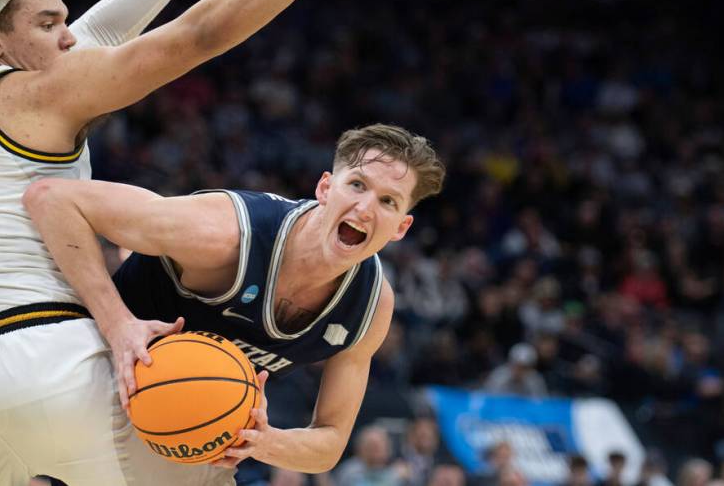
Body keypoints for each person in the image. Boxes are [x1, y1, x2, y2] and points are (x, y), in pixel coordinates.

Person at [0, 0, 411, 486]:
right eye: (50, 23)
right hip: (42, 357)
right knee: (208, 461)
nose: (68, 38)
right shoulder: (42, 91)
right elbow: (197, 37)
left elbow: (102, 34)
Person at [24, 123, 444, 480]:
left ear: (401, 227)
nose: (366, 208)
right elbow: (52, 200)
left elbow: (330, 444)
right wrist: (119, 326)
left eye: (388, 201)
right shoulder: (225, 233)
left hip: (186, 440)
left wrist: (262, 439)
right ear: (325, 187)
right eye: (357, 185)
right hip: (94, 381)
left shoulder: (371, 306)